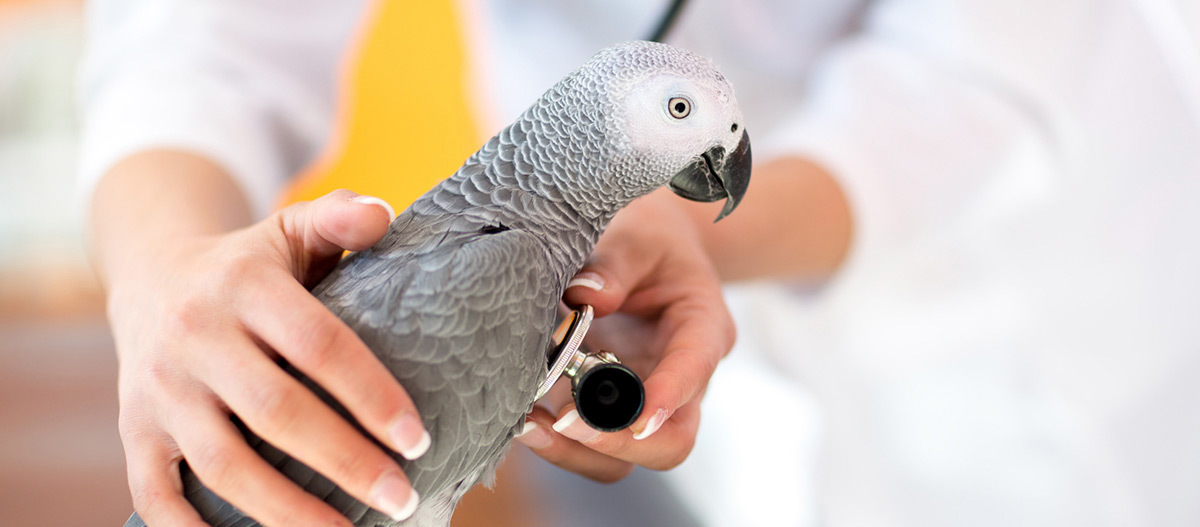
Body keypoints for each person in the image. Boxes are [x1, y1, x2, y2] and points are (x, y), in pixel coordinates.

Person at [80, 1, 1200, 526]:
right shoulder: (490, 272)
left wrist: (689, 230)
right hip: (633, 427)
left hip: (1022, 339)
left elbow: (975, 77)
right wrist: (163, 262)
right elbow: (197, 37)